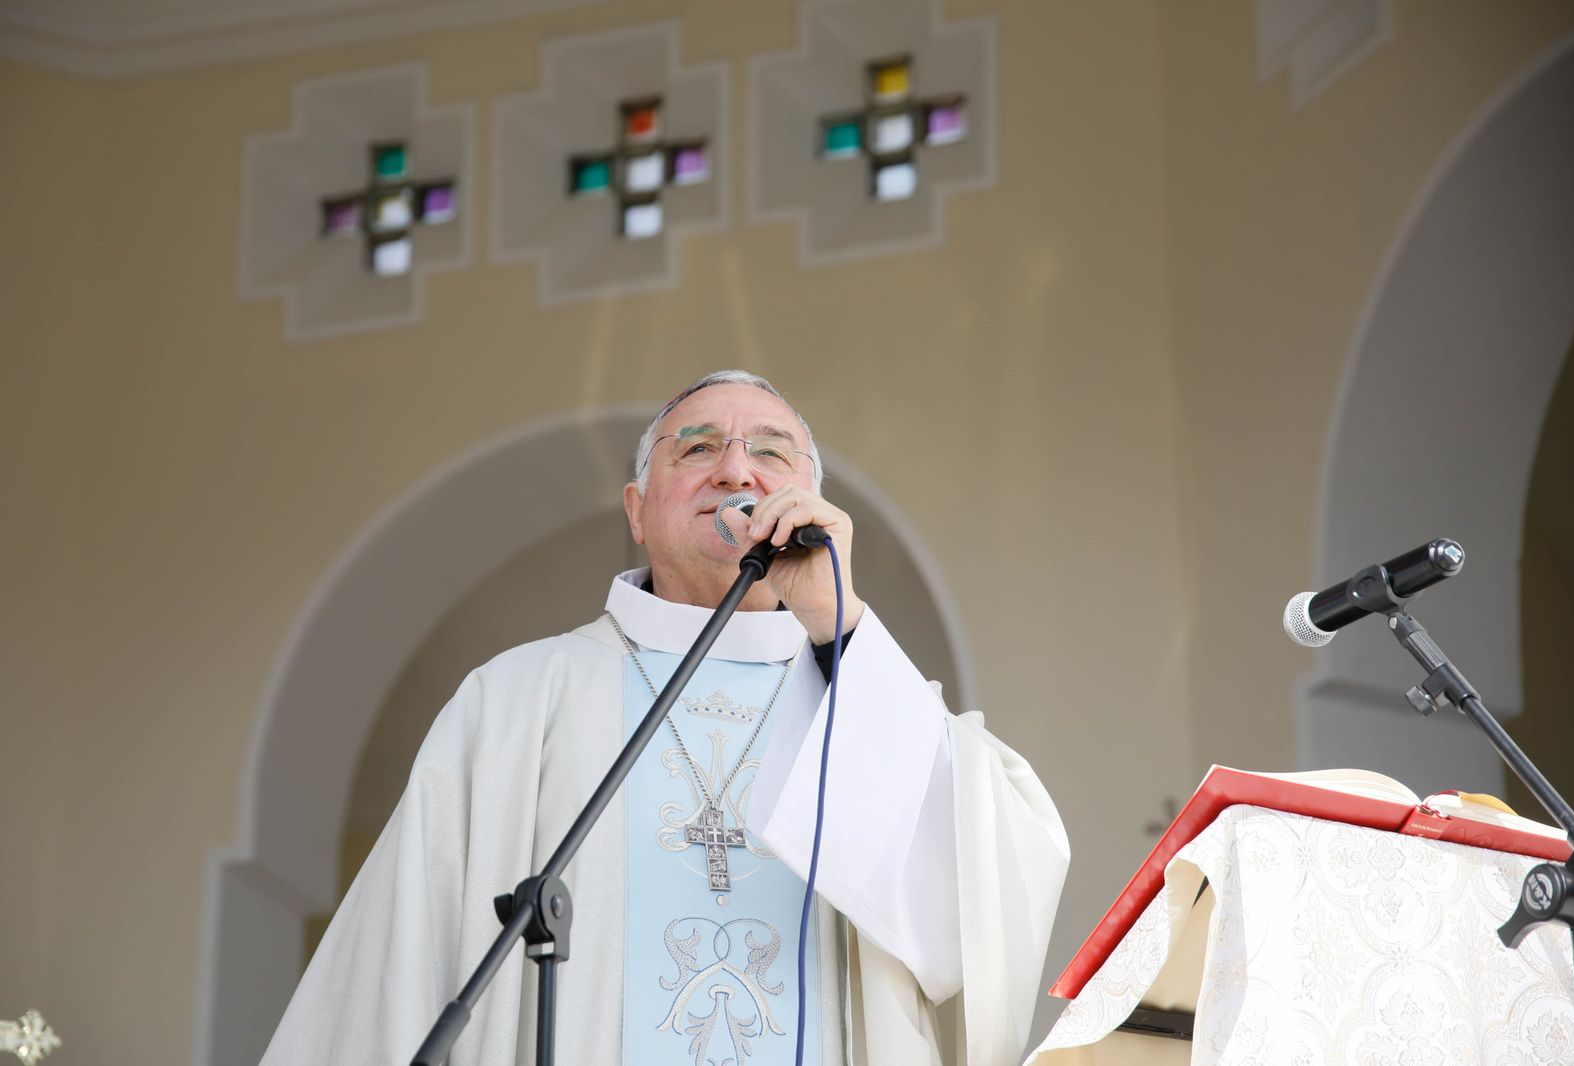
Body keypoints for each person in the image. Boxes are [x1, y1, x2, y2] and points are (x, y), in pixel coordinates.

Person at [260, 370, 1070, 1065]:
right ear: (637, 511)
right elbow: (394, 965)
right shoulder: (517, 700)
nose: (736, 471)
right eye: (697, 448)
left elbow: (984, 889)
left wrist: (841, 625)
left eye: (771, 453)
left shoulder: (865, 696)